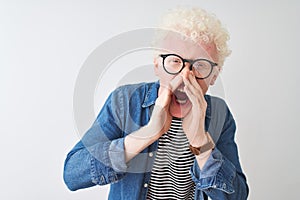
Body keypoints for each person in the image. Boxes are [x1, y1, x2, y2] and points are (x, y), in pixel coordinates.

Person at [63, 6, 249, 200]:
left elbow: (237, 196)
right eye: (175, 61)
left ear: (214, 76)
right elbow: (72, 174)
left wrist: (201, 143)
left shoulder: (219, 113)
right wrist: (148, 133)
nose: (186, 75)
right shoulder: (124, 101)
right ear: (157, 65)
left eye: (200, 65)